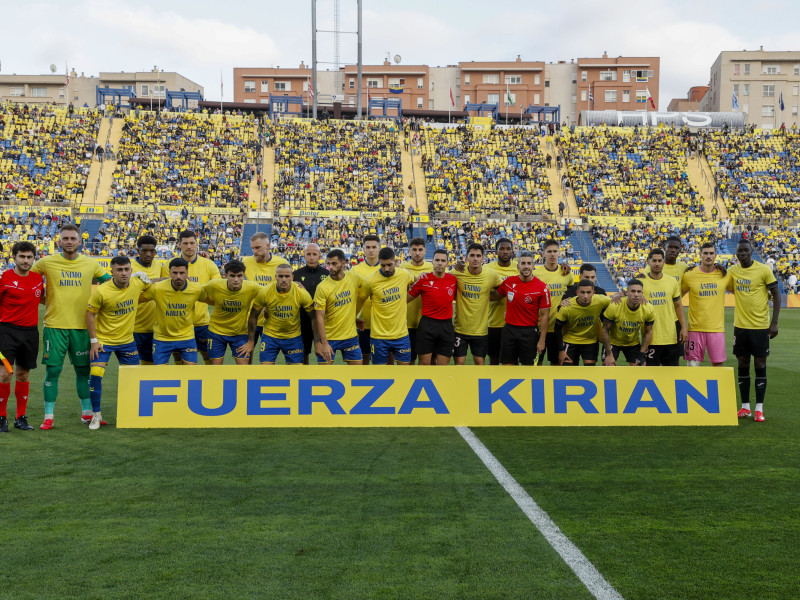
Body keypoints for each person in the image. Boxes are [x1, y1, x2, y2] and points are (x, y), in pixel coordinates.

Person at [31, 224, 112, 430]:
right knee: (53, 371)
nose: (69, 242)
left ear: (79, 241)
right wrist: (42, 298)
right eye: (65, 238)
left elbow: (110, 284)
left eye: (72, 238)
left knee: (83, 371)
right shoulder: (46, 262)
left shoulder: (90, 264)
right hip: (55, 326)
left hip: (82, 327)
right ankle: (48, 416)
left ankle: (86, 414)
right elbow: (28, 281)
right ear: (59, 241)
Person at [85, 256, 151, 430]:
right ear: (112, 271)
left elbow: (153, 282)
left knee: (134, 378)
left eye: (127, 269)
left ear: (131, 270)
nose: (124, 273)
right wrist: (94, 341)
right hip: (104, 341)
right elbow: (89, 314)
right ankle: (96, 415)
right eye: (119, 270)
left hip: (128, 341)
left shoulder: (137, 284)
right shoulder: (101, 291)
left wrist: (169, 278)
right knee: (96, 375)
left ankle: (130, 413)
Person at [727, 238, 781, 422]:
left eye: (746, 251)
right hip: (740, 327)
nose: (743, 253)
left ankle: (759, 409)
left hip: (760, 327)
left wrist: (774, 323)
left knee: (760, 365)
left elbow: (776, 293)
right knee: (742, 364)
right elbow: (721, 279)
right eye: (740, 251)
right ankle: (744, 408)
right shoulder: (733, 270)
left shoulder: (764, 269)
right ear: (737, 254)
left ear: (751, 251)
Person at [0, 242, 43, 432]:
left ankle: (21, 418)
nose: (26, 261)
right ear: (14, 257)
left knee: (23, 375)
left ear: (34, 258)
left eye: (29, 257)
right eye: (22, 257)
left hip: (30, 334)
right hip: (6, 333)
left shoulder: (38, 279)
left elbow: (44, 298)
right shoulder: (5, 278)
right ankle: (2, 417)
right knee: (4, 374)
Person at [161, 230, 221, 364]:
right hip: (178, 323)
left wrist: (193, 286)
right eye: (185, 243)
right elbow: (164, 291)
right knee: (179, 358)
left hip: (201, 322)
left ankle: (208, 384)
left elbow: (217, 288)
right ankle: (182, 384)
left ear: (197, 244)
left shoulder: (208, 264)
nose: (189, 246)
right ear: (179, 245)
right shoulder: (168, 265)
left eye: (192, 243)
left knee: (209, 357)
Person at [143, 258, 209, 365]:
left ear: (187, 273)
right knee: (159, 374)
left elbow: (212, 300)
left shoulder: (196, 289)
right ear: (169, 273)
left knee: (190, 374)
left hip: (186, 336)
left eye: (182, 273)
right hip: (162, 338)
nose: (178, 276)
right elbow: (136, 297)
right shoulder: (157, 288)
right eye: (175, 273)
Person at [491, 252, 550, 366]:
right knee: (507, 367)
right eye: (523, 263)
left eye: (529, 263)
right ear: (518, 266)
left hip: (529, 332)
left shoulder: (542, 287)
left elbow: (545, 315)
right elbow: (494, 296)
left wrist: (542, 340)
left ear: (533, 265)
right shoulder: (509, 282)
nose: (526, 266)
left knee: (528, 369)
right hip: (509, 331)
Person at [358, 248, 415, 365]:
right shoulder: (370, 281)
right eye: (383, 265)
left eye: (390, 265)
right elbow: (359, 300)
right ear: (379, 262)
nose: (386, 269)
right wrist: (353, 317)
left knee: (405, 373)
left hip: (401, 335)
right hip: (379, 336)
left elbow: (415, 281)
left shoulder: (404, 274)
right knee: (380, 376)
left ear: (396, 262)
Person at [451, 243, 503, 366]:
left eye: (478, 256)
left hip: (480, 331)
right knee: (459, 364)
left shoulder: (491, 274)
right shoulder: (457, 272)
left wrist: (490, 297)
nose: (475, 258)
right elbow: (443, 280)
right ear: (467, 257)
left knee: (480, 364)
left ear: (483, 258)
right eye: (472, 255)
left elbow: (503, 288)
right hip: (459, 329)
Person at [250, 264, 314, 365]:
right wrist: (250, 341)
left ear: (292, 277)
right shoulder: (265, 292)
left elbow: (313, 317)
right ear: (275, 277)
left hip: (293, 336)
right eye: (280, 276)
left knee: (296, 373)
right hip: (270, 336)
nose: (284, 279)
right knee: (265, 372)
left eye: (287, 276)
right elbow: (253, 315)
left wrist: (318, 342)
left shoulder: (301, 292)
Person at [681, 242, 731, 367]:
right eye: (705, 253)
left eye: (711, 253)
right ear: (700, 255)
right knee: (692, 366)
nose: (708, 256)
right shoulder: (689, 275)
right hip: (694, 329)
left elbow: (738, 292)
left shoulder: (724, 275)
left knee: (717, 366)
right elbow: (677, 298)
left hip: (717, 329)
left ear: (716, 255)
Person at [203, 260, 262, 365]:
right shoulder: (214, 285)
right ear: (225, 276)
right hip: (216, 333)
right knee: (215, 367)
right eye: (232, 276)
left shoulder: (252, 287)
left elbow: (270, 293)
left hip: (239, 333)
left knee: (243, 367)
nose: (236, 279)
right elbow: (196, 291)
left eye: (239, 276)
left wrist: (294, 285)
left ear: (244, 275)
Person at [313, 249, 365, 365]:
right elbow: (319, 317)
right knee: (324, 377)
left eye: (334, 264)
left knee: (358, 375)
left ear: (343, 263)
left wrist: (354, 318)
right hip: (329, 337)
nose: (330, 267)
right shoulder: (322, 287)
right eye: (328, 264)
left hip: (350, 336)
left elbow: (370, 287)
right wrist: (324, 343)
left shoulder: (354, 278)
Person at [244, 231, 290, 362]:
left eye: (257, 247)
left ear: (268, 246)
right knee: (247, 355)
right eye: (252, 248)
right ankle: (247, 380)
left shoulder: (281, 263)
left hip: (273, 319)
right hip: (251, 317)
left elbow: (287, 290)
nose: (254, 251)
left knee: (269, 358)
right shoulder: (246, 262)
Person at [407, 249, 457, 365]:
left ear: (447, 263)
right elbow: (406, 299)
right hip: (427, 325)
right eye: (437, 260)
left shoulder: (453, 279)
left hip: (446, 326)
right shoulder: (423, 279)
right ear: (432, 262)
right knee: (424, 364)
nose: (440, 263)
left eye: (443, 260)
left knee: (442, 366)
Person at [639, 248, 688, 366]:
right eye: (654, 260)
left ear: (663, 262)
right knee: (651, 376)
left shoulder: (671, 281)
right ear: (648, 262)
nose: (657, 263)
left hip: (670, 337)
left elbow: (678, 305)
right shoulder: (640, 282)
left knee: (672, 376)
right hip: (650, 338)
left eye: (659, 261)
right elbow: (628, 295)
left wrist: (684, 328)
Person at [533, 239, 575, 365]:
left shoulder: (566, 273)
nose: (552, 254)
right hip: (539, 327)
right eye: (549, 251)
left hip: (558, 329)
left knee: (556, 365)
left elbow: (571, 293)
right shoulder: (535, 274)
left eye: (555, 251)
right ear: (543, 254)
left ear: (559, 253)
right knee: (535, 364)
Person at [555, 279, 611, 366]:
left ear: (593, 292)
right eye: (582, 292)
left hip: (590, 341)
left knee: (589, 371)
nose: (585, 296)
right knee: (566, 371)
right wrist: (561, 350)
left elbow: (618, 302)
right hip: (570, 341)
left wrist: (620, 294)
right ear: (577, 292)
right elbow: (557, 328)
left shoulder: (600, 300)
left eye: (589, 292)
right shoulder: (567, 306)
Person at [601, 279, 655, 366]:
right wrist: (609, 354)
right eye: (633, 291)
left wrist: (641, 354)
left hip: (633, 343)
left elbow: (649, 332)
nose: (636, 295)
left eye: (639, 292)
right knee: (608, 366)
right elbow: (604, 330)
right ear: (627, 292)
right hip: (613, 343)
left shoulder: (648, 308)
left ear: (642, 293)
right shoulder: (615, 306)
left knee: (639, 367)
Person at [293, 243, 329, 364]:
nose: (311, 257)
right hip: (303, 319)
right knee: (303, 353)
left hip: (324, 320)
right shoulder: (296, 275)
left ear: (319, 255)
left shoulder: (327, 275)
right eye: (308, 254)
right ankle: (304, 378)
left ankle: (323, 379)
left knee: (324, 353)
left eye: (314, 254)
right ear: (304, 256)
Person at [131, 236, 164, 365]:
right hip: (135, 326)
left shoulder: (158, 265)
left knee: (151, 364)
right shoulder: (130, 268)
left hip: (155, 327)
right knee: (132, 365)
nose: (148, 254)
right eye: (144, 250)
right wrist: (161, 280)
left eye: (152, 251)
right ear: (138, 251)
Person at [400, 238, 433, 364]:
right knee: (409, 360)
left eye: (420, 250)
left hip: (427, 323)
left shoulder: (432, 268)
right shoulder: (402, 269)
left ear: (425, 251)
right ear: (409, 251)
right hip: (405, 323)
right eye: (414, 250)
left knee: (427, 361)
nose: (417, 253)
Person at [485, 238, 518, 365]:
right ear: (496, 251)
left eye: (508, 249)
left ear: (512, 251)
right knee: (494, 359)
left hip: (515, 323)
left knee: (512, 360)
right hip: (493, 322)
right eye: (502, 249)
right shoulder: (487, 268)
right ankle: (492, 384)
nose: (505, 252)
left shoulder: (519, 267)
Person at [351, 234, 381, 364]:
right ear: (363, 249)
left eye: (374, 247)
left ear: (379, 248)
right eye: (368, 247)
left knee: (386, 360)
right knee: (364, 359)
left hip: (384, 324)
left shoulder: (387, 268)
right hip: (364, 322)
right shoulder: (355, 270)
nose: (371, 250)